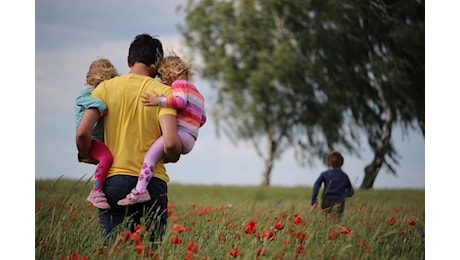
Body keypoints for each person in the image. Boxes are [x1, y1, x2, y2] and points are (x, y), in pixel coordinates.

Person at [76, 33, 182, 245]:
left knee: (114, 250)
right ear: (157, 63)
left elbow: (82, 132)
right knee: (150, 250)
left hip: (113, 181)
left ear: (128, 61)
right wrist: (174, 154)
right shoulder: (164, 93)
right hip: (152, 184)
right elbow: (170, 143)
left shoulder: (105, 88)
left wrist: (87, 154)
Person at [117, 55, 207, 206]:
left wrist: (158, 100)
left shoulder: (179, 84)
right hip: (191, 138)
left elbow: (179, 102)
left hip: (180, 134)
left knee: (150, 156)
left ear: (168, 73)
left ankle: (140, 191)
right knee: (158, 154)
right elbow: (202, 119)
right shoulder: (198, 93)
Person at [75, 58, 118, 210]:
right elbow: (81, 100)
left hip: (100, 139)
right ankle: (96, 190)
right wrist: (101, 105)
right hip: (92, 139)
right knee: (106, 158)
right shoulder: (88, 94)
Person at [310, 151, 354, 220]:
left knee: (326, 221)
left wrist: (314, 201)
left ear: (329, 162)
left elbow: (316, 186)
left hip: (327, 201)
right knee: (336, 221)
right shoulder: (344, 176)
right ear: (341, 162)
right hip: (340, 202)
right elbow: (351, 192)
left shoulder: (325, 174)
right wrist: (342, 194)